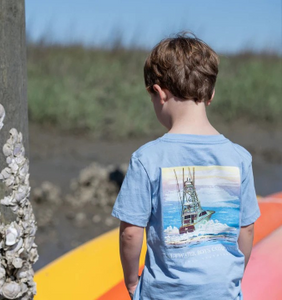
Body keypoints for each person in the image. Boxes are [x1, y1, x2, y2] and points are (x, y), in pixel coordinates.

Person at [111, 32, 260, 300]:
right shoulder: (240, 157)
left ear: (158, 93)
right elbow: (246, 229)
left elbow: (130, 233)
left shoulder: (147, 158)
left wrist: (132, 281)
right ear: (211, 94)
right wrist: (232, 278)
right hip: (223, 291)